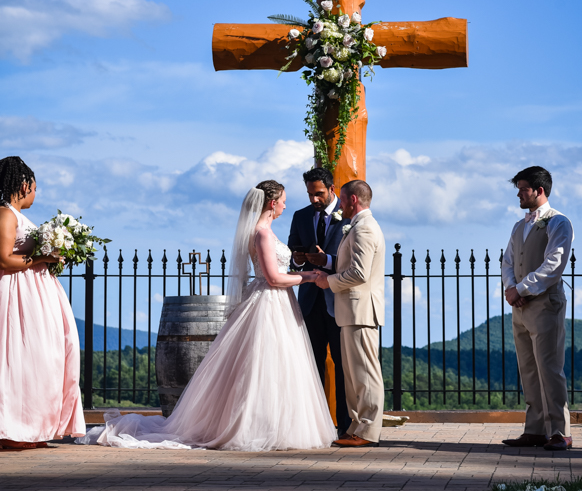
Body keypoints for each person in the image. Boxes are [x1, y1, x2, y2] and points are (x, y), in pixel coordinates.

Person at [77, 181, 336, 451]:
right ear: (272, 203)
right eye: (282, 200)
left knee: (277, 366)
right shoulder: (262, 234)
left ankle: (274, 423)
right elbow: (272, 278)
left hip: (278, 302)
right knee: (263, 365)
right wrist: (307, 276)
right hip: (269, 302)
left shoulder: (263, 232)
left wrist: (295, 264)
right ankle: (258, 426)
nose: (285, 204)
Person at [0, 156, 85, 450]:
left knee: (40, 360)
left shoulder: (14, 214)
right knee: (17, 358)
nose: (35, 194)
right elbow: (3, 260)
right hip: (14, 292)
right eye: (35, 188)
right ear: (24, 184)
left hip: (31, 292)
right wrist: (43, 257)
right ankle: (12, 432)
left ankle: (32, 428)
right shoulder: (5, 215)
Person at [501, 166, 573, 451]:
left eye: (523, 189)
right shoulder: (519, 226)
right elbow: (507, 261)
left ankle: (559, 431)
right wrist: (510, 288)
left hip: (544, 305)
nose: (519, 194)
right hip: (519, 307)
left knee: (549, 368)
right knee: (528, 368)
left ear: (539, 191)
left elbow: (554, 266)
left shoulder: (559, 223)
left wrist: (521, 289)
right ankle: (534, 429)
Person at [316, 180, 385, 448]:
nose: (340, 204)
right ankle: (356, 426)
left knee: (365, 373)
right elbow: (351, 264)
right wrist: (328, 264)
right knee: (354, 374)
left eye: (342, 200)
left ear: (353, 200)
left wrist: (329, 282)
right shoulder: (358, 227)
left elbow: (359, 273)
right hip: (351, 311)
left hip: (361, 310)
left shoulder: (365, 228)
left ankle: (367, 430)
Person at [288, 167, 350, 436]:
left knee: (342, 364)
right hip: (310, 302)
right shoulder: (300, 216)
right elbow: (293, 253)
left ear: (331, 189)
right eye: (310, 194)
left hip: (339, 302)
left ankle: (345, 426)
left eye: (319, 194)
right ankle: (314, 426)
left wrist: (325, 261)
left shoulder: (348, 217)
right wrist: (300, 260)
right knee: (310, 365)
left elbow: (351, 261)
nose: (314, 199)